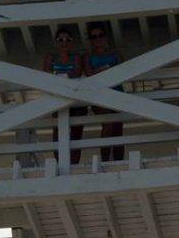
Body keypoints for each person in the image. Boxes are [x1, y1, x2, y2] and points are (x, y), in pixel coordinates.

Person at [83, 25, 124, 162]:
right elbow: (89, 75)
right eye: (94, 36)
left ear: (105, 37)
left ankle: (119, 161)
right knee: (108, 122)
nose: (98, 38)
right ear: (90, 40)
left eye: (100, 35)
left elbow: (125, 70)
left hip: (117, 93)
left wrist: (103, 70)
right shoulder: (88, 56)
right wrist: (107, 69)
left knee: (118, 130)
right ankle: (106, 160)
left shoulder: (115, 54)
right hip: (99, 95)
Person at [43, 27, 84, 165]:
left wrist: (57, 77)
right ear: (55, 43)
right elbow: (46, 75)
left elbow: (76, 74)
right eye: (60, 39)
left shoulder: (76, 57)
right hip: (57, 99)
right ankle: (58, 162)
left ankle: (74, 163)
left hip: (75, 100)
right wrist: (64, 77)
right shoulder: (50, 57)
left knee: (76, 133)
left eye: (67, 40)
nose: (64, 42)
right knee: (57, 131)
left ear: (72, 43)